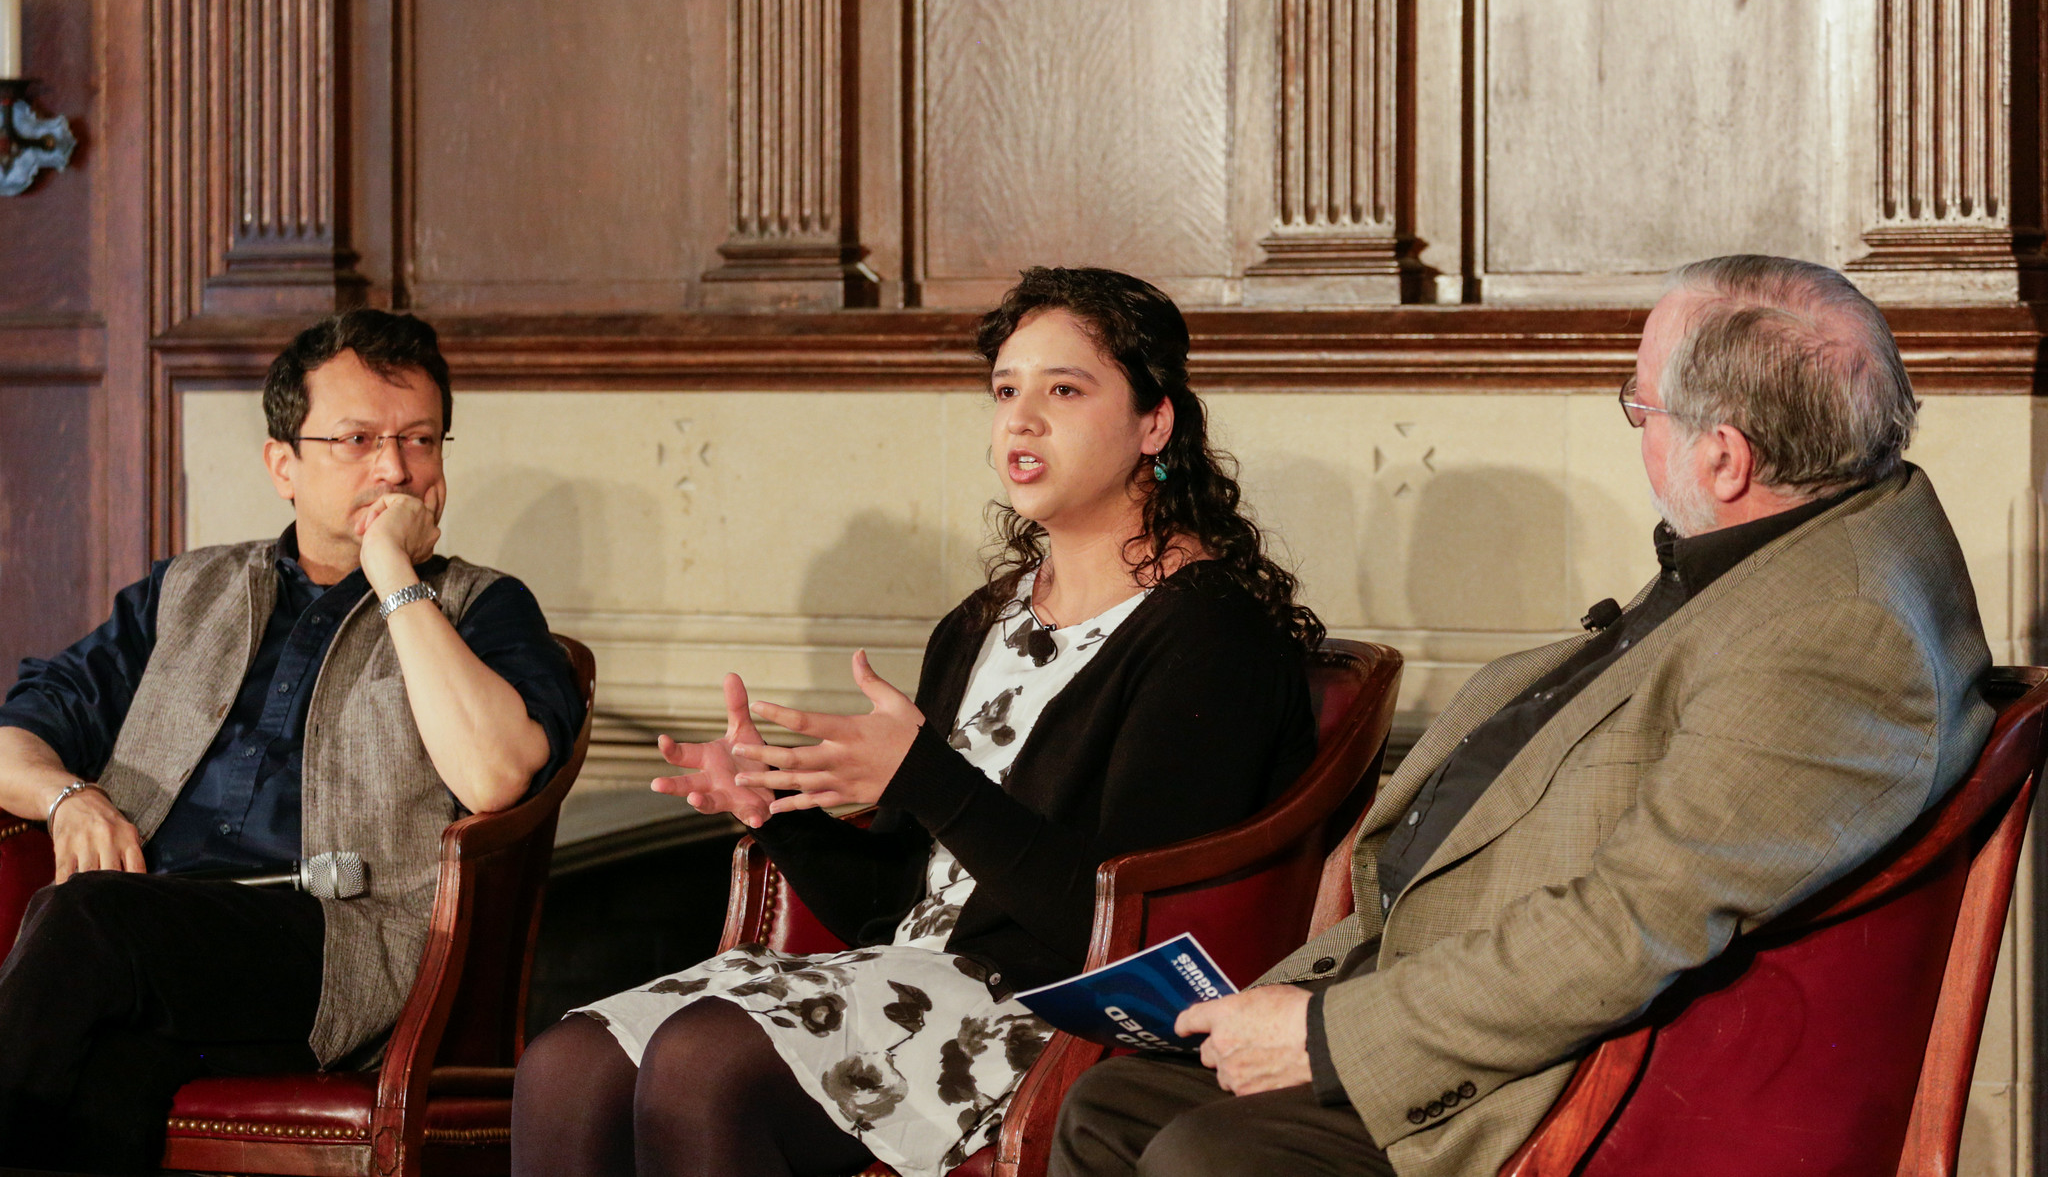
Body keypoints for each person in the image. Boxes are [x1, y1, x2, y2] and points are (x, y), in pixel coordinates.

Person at [1050, 255, 1997, 1177]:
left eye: (1641, 406)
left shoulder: (1836, 631)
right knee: (1112, 1106)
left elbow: (1628, 927)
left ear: (1725, 456)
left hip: (1562, 1076)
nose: (1638, 431)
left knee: (1203, 1154)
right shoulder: (1793, 534)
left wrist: (1328, 1035)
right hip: (1435, 972)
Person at [510, 267, 1324, 1177]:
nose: (1020, 419)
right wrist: (779, 806)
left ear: (1154, 423)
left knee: (705, 1061)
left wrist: (925, 776)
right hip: (912, 979)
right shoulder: (981, 623)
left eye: (1064, 389)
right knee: (565, 1065)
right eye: (1006, 390)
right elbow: (895, 907)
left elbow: (1116, 929)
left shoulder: (1210, 635)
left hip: (1050, 1017)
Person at [0, 308, 585, 1174]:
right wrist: (67, 795)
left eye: (420, 439)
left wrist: (391, 572)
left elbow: (496, 776)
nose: (395, 468)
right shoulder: (186, 592)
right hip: (162, 935)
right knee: (106, 1075)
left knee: (81, 917)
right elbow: (18, 734)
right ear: (284, 463)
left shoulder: (481, 607)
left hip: (342, 947)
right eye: (356, 439)